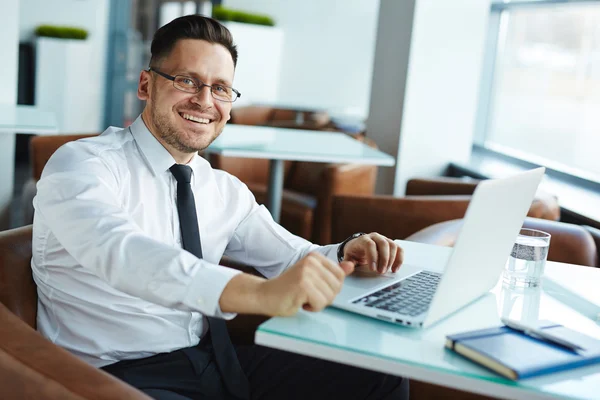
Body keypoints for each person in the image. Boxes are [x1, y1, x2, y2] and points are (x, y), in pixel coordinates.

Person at [31, 15, 408, 400]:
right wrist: (256, 294)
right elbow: (122, 253)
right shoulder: (82, 165)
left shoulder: (222, 188)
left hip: (211, 363)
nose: (205, 101)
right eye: (187, 81)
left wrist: (347, 252)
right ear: (147, 85)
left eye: (221, 88)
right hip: (113, 377)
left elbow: (292, 255)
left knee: (382, 377)